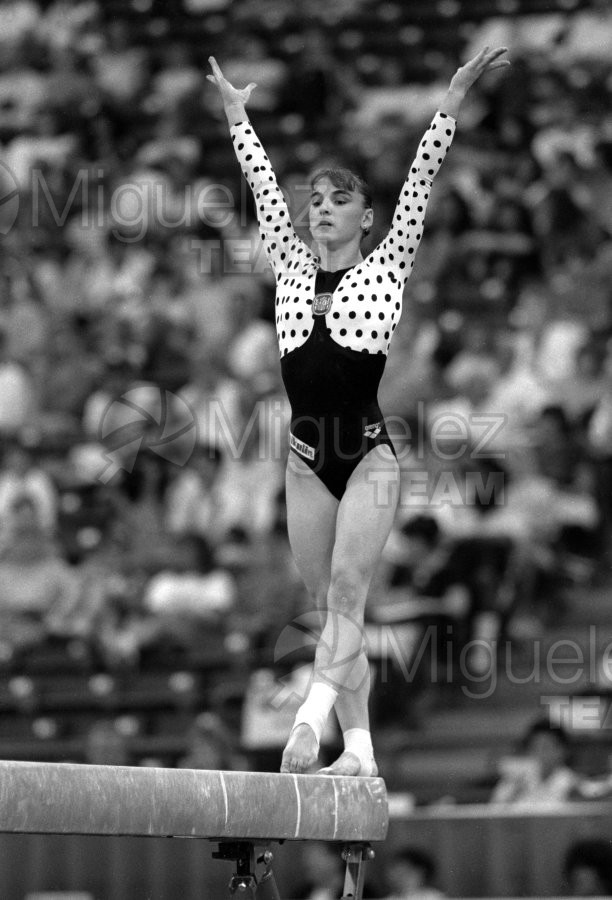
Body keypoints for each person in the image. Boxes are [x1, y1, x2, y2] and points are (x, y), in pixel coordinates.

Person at [207, 47, 510, 777]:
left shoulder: (389, 262)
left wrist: (454, 97)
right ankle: (362, 753)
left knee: (348, 592)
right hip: (307, 462)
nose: (320, 209)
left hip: (370, 455)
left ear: (367, 219)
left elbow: (422, 179)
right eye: (317, 200)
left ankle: (310, 724)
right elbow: (262, 184)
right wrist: (237, 115)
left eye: (339, 200)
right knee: (330, 610)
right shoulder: (286, 257)